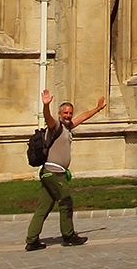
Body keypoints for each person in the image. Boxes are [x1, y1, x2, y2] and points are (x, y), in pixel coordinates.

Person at [27, 90, 106, 251]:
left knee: (44, 207)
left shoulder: (68, 127)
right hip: (54, 173)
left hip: (51, 173)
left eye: (70, 113)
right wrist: (46, 105)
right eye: (65, 113)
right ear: (60, 114)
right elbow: (48, 118)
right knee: (66, 201)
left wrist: (97, 109)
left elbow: (82, 117)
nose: (68, 115)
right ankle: (68, 236)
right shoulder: (56, 127)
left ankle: (32, 240)